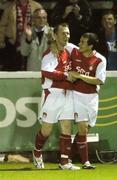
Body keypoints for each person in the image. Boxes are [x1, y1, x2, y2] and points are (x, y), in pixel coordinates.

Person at [32, 22, 80, 170]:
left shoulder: (71, 49)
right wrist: (66, 75)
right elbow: (46, 72)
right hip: (52, 94)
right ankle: (37, 152)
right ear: (55, 35)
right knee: (47, 130)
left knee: (67, 126)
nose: (66, 36)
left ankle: (64, 162)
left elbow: (86, 54)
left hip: (67, 94)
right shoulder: (49, 53)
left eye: (68, 33)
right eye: (63, 33)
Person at [66, 32, 106, 169]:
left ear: (91, 45)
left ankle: (67, 158)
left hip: (92, 97)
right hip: (77, 95)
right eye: (80, 41)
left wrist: (80, 75)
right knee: (82, 128)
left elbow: (99, 80)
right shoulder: (74, 51)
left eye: (83, 42)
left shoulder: (100, 59)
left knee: (86, 129)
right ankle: (85, 162)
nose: (79, 44)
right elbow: (60, 43)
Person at [0, 0, 42, 71]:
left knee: (28, 68)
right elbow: (3, 25)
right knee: (12, 69)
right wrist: (1, 40)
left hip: (31, 43)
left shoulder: (36, 6)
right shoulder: (10, 7)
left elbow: (43, 23)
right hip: (13, 43)